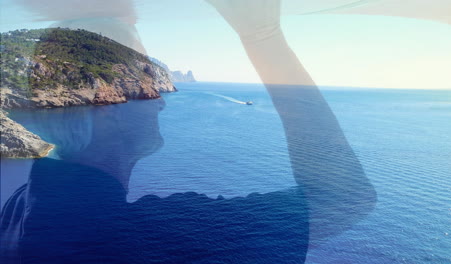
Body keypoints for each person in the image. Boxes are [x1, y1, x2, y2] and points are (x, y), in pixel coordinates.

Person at [1, 0, 376, 263]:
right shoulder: (152, 237)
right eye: (147, 80)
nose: (161, 102)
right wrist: (263, 35)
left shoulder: (20, 206)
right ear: (106, 106)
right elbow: (346, 197)